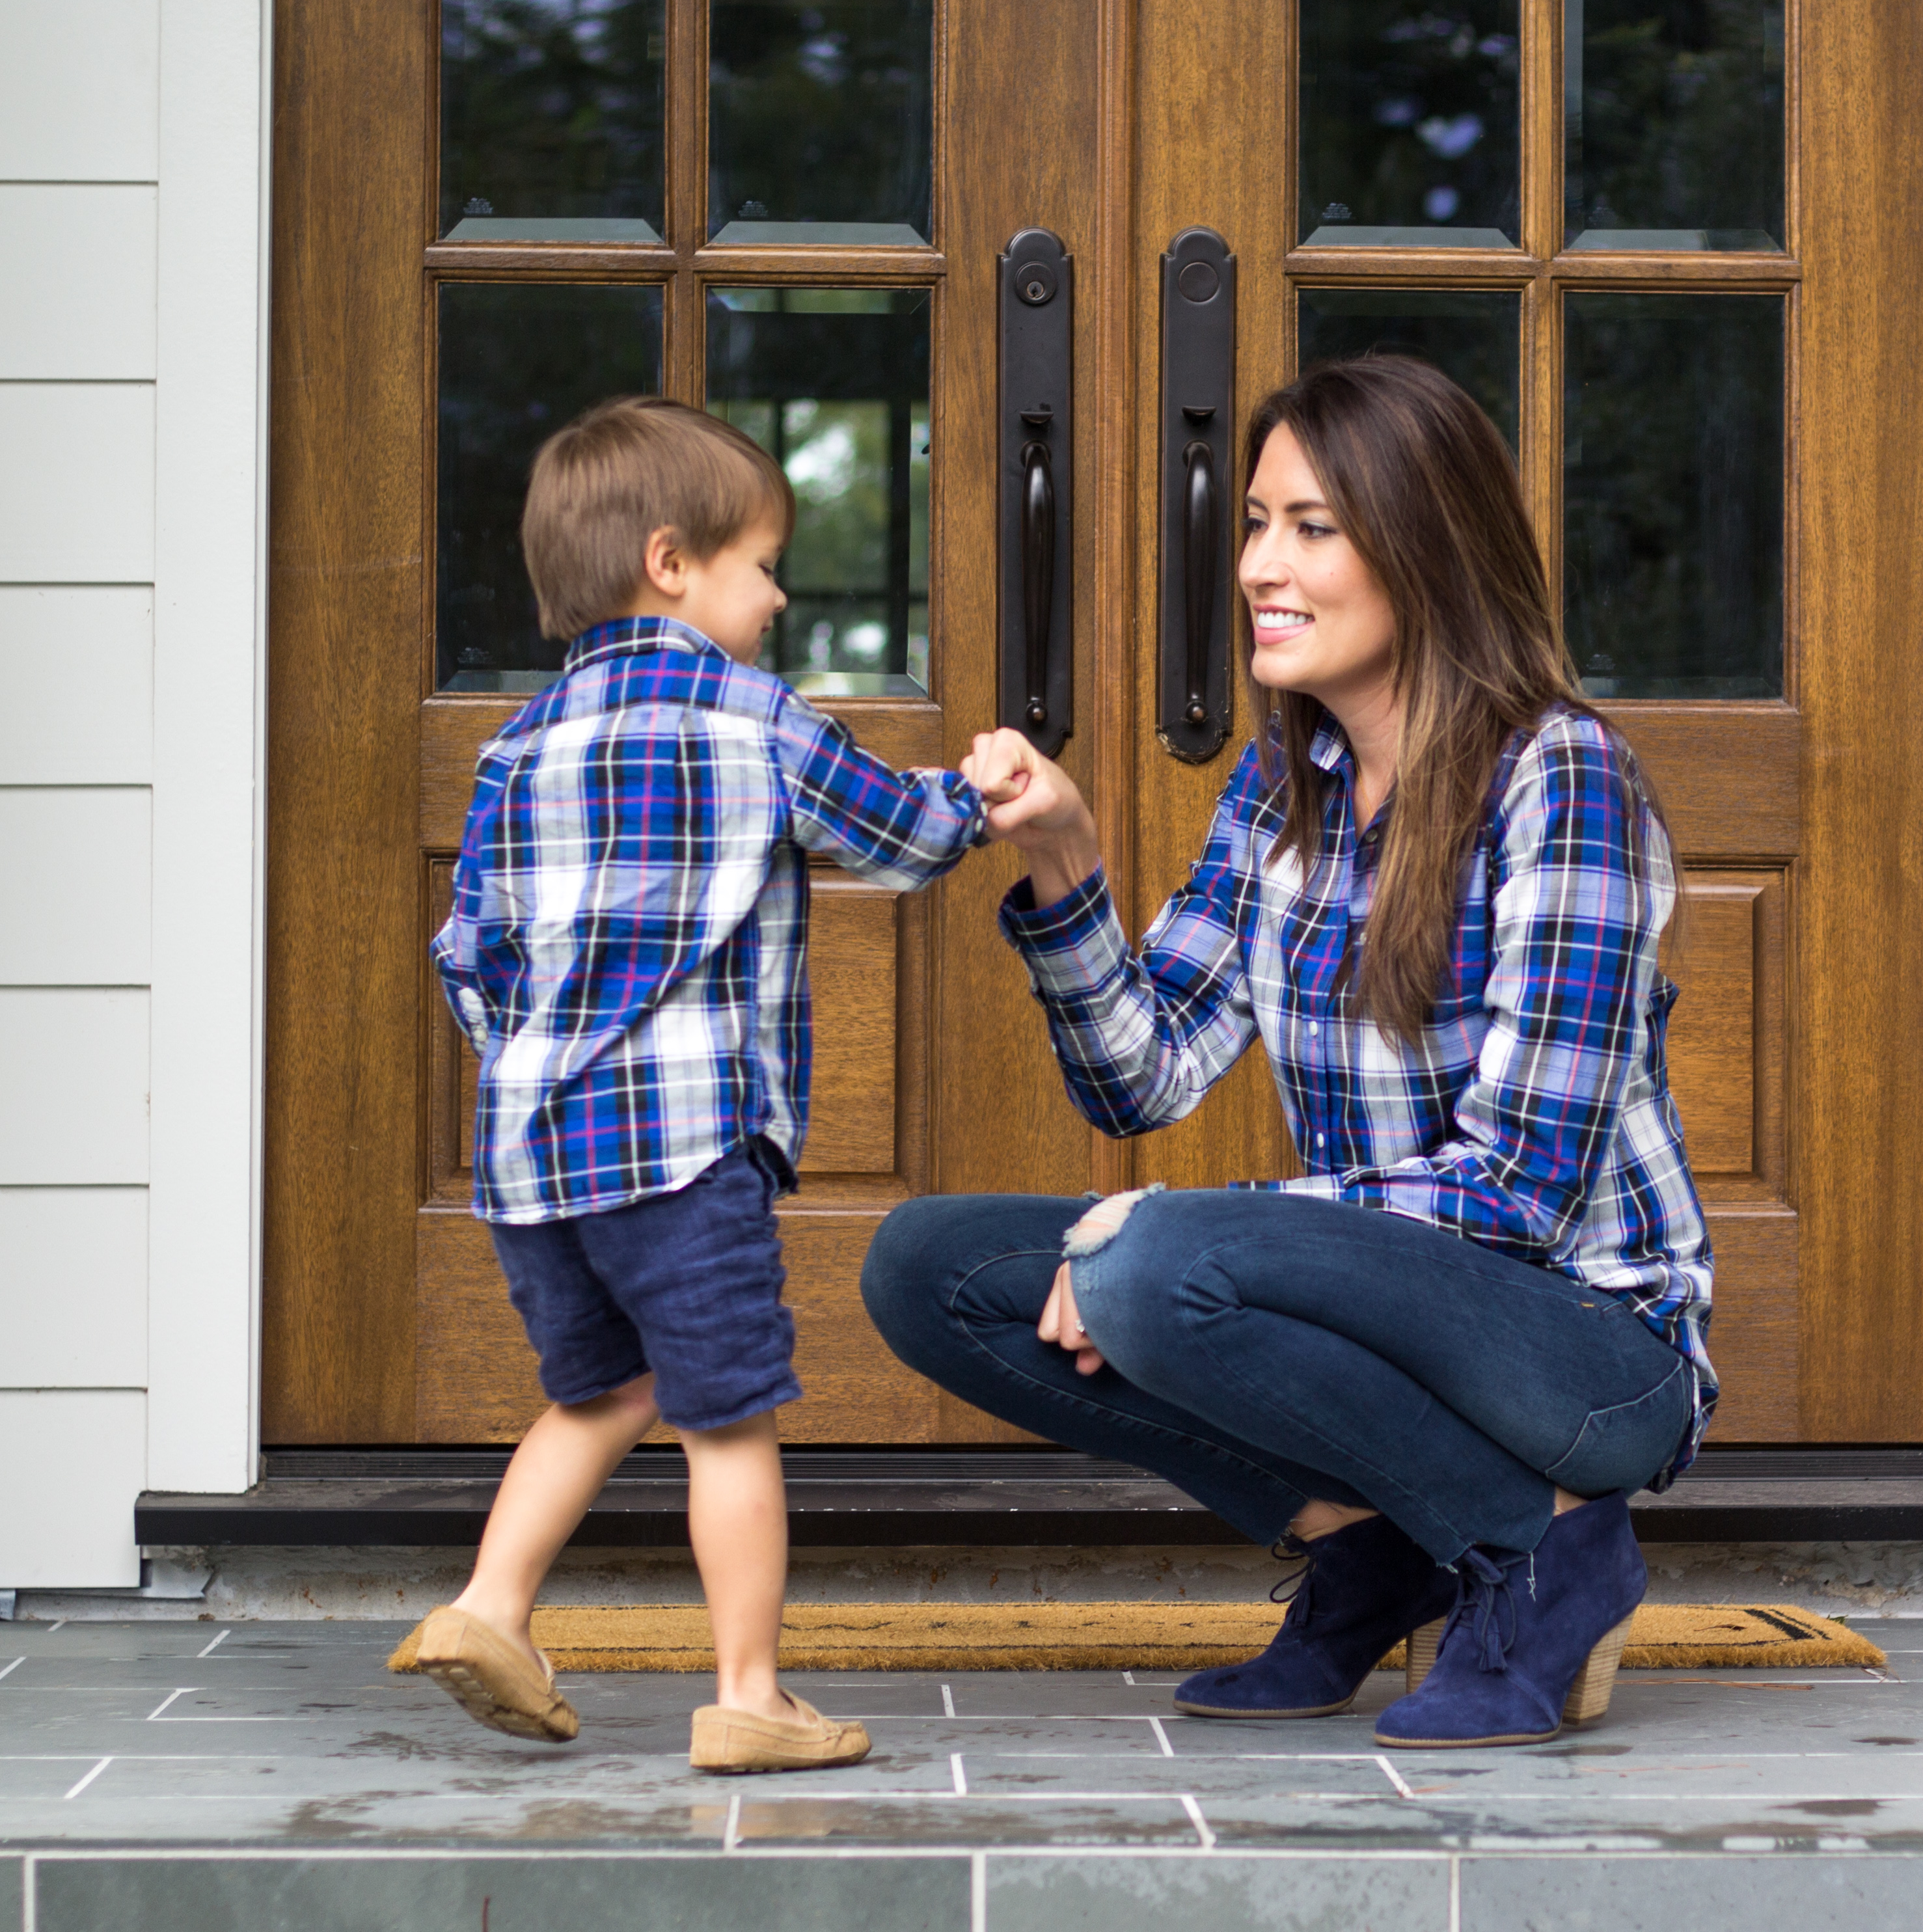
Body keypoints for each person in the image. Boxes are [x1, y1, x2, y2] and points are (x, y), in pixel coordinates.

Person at [864, 355, 1713, 1750]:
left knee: (1147, 1261)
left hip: (1588, 1349)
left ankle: (1547, 1550)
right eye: (1255, 521)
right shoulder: (1281, 785)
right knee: (931, 1269)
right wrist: (1068, 864)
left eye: (1312, 526)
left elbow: (1520, 1188)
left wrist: (1198, 1226)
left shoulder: (1562, 773)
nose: (1260, 562)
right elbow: (1143, 1078)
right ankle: (1384, 1545)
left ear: (1425, 546)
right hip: (1386, 1303)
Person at [407, 397, 989, 1774]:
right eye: (764, 564)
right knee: (726, 1414)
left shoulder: (514, 746)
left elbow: (466, 952)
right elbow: (900, 839)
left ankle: (490, 1606)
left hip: (533, 1157)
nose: (780, 594)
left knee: (602, 1392)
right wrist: (981, 787)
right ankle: (748, 1690)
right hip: (681, 1146)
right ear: (672, 562)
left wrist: (542, 1053)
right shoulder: (749, 714)